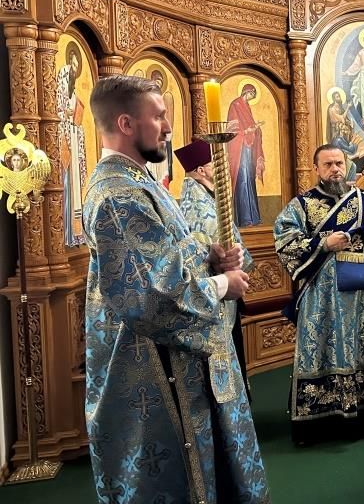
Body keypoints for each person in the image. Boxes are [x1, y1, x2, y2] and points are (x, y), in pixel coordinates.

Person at [82, 75, 269, 503]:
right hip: (152, 367)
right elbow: (148, 298)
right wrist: (222, 284)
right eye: (159, 116)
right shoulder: (118, 196)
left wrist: (209, 256)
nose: (168, 127)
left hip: (174, 360)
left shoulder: (140, 182)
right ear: (126, 123)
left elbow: (166, 255)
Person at [274, 143, 364, 446]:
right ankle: (321, 422)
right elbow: (284, 240)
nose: (335, 169)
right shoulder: (302, 205)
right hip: (321, 296)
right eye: (328, 164)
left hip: (362, 296)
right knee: (321, 349)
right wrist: (324, 244)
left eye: (338, 163)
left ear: (346, 165)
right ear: (316, 169)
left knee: (363, 348)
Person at [175, 138, 255, 401]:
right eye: (214, 164)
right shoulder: (198, 206)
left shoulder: (203, 197)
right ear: (201, 170)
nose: (221, 170)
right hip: (215, 293)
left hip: (221, 287)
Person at [57, 41, 87, 246]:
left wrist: (75, 120)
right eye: (71, 71)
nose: (73, 73)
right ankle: (67, 235)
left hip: (75, 141)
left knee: (76, 190)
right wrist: (64, 115)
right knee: (67, 187)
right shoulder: (59, 98)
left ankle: (77, 234)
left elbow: (78, 119)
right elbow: (56, 117)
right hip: (65, 144)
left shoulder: (75, 96)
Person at [226, 83, 265, 227]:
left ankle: (253, 217)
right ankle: (244, 218)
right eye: (251, 95)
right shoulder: (235, 105)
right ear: (246, 92)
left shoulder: (247, 107)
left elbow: (250, 127)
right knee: (242, 178)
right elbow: (232, 131)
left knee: (249, 178)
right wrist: (248, 131)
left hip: (248, 148)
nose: (251, 98)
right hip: (239, 149)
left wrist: (256, 129)